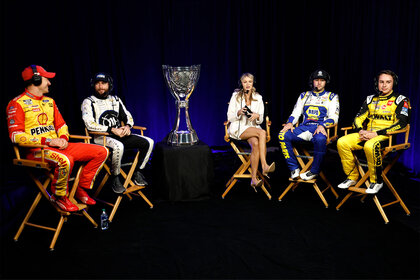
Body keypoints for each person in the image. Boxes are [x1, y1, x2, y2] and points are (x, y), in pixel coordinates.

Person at [6, 65, 109, 212]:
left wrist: (62, 138)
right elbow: (16, 136)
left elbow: (62, 125)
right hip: (36, 151)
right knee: (65, 160)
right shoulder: (16, 103)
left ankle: (81, 188)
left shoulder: (49, 102)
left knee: (102, 151)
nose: (50, 82)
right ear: (35, 80)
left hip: (58, 147)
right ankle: (59, 196)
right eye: (46, 79)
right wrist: (48, 141)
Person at [336, 70, 411, 194]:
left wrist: (377, 134)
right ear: (377, 83)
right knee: (342, 142)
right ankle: (352, 177)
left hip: (386, 137)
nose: (384, 85)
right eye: (381, 82)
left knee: (370, 145)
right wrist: (361, 131)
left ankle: (376, 181)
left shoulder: (401, 100)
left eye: (388, 82)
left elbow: (401, 123)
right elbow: (358, 118)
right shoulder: (370, 99)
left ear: (394, 83)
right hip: (367, 134)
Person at [81, 72, 154, 194]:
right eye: (97, 83)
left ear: (109, 85)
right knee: (118, 146)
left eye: (103, 83)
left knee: (149, 142)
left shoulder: (115, 99)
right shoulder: (88, 102)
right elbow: (89, 124)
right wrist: (111, 130)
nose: (100, 86)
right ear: (93, 85)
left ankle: (138, 172)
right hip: (101, 138)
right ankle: (115, 178)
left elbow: (128, 116)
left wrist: (127, 126)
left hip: (119, 135)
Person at [279, 69, 340, 180]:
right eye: (316, 80)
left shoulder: (332, 97)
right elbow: (296, 113)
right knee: (282, 135)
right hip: (304, 128)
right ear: (312, 81)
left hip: (319, 129)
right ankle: (294, 169)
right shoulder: (304, 95)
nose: (319, 83)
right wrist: (289, 123)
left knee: (321, 140)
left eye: (322, 80)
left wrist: (323, 125)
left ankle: (314, 171)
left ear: (326, 82)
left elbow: (334, 118)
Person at [227, 73, 275, 188]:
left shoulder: (258, 97)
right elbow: (230, 117)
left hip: (253, 129)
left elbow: (261, 119)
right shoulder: (235, 96)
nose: (247, 84)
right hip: (239, 129)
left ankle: (253, 179)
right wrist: (238, 113)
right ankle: (264, 165)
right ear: (241, 84)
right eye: (245, 82)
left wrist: (257, 116)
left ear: (253, 83)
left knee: (256, 143)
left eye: (250, 81)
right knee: (262, 132)